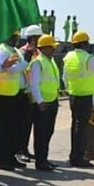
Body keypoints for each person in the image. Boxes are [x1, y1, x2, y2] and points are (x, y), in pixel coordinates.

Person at [62, 31, 94, 168]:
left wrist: (70, 90)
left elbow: (65, 77)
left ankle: (73, 155)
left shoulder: (68, 57)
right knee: (82, 129)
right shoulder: (88, 58)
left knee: (75, 127)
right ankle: (78, 158)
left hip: (74, 96)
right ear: (85, 44)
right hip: (86, 97)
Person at [0, 31, 25, 171]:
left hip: (13, 92)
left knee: (13, 128)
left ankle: (10, 157)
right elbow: (10, 69)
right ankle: (2, 160)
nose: (16, 39)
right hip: (3, 94)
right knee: (3, 129)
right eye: (13, 36)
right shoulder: (2, 50)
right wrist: (26, 62)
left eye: (16, 36)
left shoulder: (15, 50)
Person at [28, 35, 60, 171]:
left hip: (52, 101)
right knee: (41, 133)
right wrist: (40, 101)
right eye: (52, 47)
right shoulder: (38, 62)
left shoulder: (50, 61)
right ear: (44, 48)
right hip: (42, 104)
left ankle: (44, 159)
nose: (54, 49)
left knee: (48, 131)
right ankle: (40, 161)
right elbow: (33, 84)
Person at [16, 25, 42, 163]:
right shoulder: (22, 52)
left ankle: (25, 149)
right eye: (38, 37)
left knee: (29, 123)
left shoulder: (38, 52)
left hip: (34, 91)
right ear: (32, 38)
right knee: (23, 123)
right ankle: (20, 150)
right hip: (25, 91)